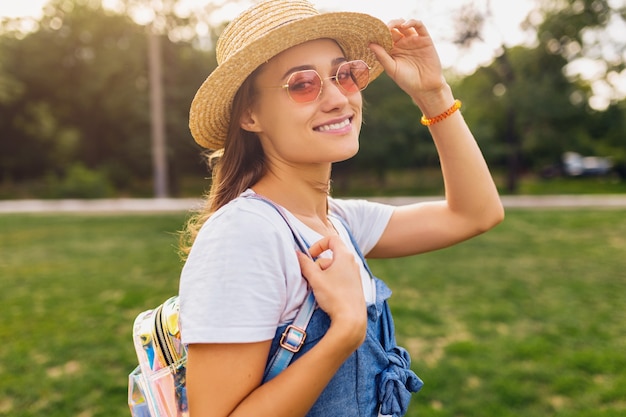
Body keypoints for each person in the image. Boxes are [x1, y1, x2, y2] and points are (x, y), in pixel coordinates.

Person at [178, 0, 504, 416]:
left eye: (344, 74)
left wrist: (433, 94)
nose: (337, 98)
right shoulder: (246, 235)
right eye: (302, 84)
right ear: (250, 114)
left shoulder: (338, 220)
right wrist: (345, 331)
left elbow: (475, 214)